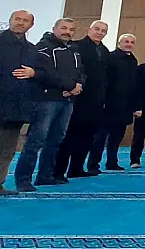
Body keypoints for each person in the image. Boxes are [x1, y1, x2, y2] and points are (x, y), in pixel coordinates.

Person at [15, 18, 85, 191]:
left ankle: (45, 176)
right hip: (47, 100)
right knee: (36, 141)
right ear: (54, 28)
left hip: (67, 101)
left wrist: (78, 87)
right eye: (63, 28)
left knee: (55, 140)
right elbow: (47, 73)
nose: (67, 31)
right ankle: (23, 179)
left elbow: (81, 72)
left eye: (71, 29)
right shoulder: (43, 48)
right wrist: (70, 86)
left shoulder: (74, 49)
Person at [56, 20, 108, 179]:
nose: (99, 32)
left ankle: (76, 168)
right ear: (89, 29)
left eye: (103, 31)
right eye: (97, 29)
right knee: (70, 136)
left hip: (97, 102)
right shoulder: (77, 46)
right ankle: (58, 171)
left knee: (87, 137)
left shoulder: (105, 51)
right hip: (79, 98)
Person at [0, 10, 43, 195]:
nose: (20, 23)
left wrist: (34, 73)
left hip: (16, 107)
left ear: (31, 25)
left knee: (7, 150)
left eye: (25, 21)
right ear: (10, 21)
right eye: (17, 19)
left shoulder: (32, 50)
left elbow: (43, 74)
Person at [88, 33, 138, 172]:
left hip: (125, 106)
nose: (129, 44)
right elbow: (105, 81)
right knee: (101, 137)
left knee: (117, 137)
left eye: (131, 42)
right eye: (126, 41)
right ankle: (93, 164)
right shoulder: (111, 58)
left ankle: (112, 162)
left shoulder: (133, 60)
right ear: (119, 43)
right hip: (110, 104)